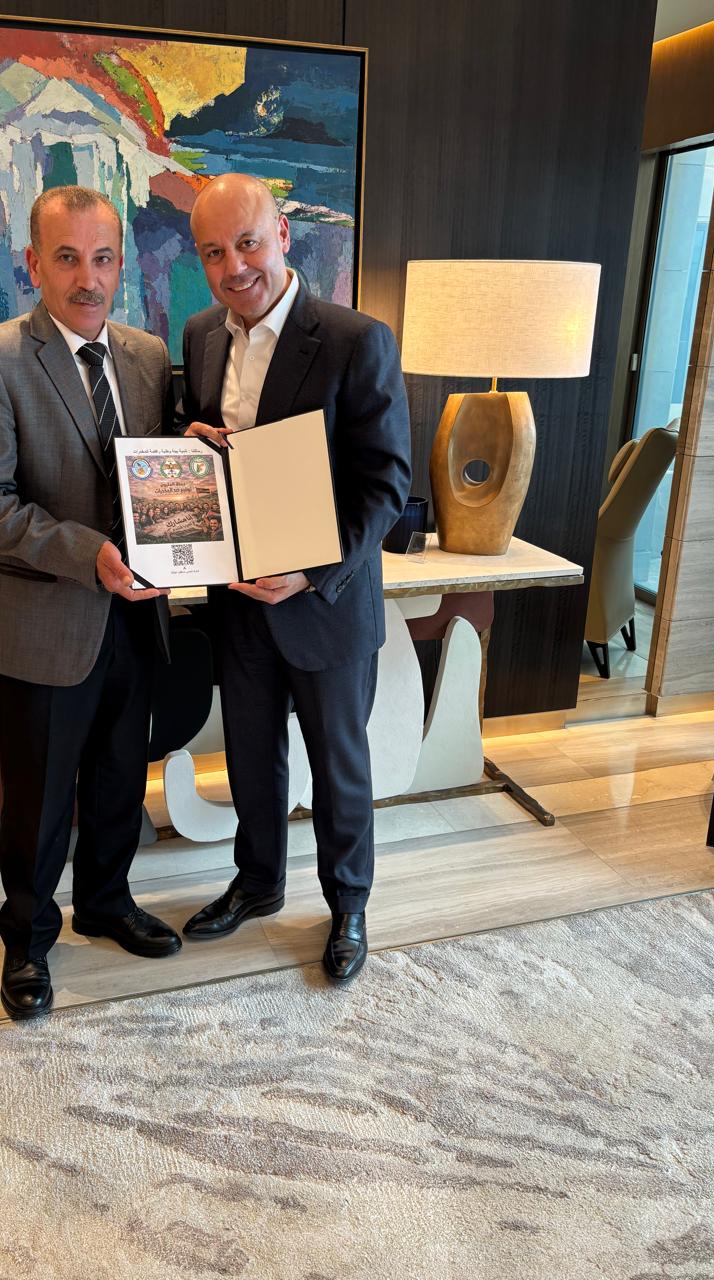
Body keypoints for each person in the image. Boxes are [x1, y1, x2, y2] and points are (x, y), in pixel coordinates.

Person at [0, 186, 181, 1021]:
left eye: (103, 258)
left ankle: (107, 903)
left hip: (135, 616)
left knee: (119, 777)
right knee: (40, 799)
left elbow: (155, 472)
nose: (89, 278)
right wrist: (88, 555)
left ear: (122, 265)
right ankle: (28, 941)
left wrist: (194, 455)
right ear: (33, 264)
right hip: (46, 620)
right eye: (68, 258)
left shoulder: (147, 355)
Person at [180, 173, 411, 983]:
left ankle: (348, 904)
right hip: (238, 600)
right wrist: (191, 444)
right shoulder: (200, 336)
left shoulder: (356, 339)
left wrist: (312, 573)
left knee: (339, 764)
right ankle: (259, 882)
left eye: (247, 243)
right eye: (213, 252)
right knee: (250, 753)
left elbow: (386, 484)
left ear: (282, 234)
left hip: (325, 602)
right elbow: (211, 451)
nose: (233, 267)